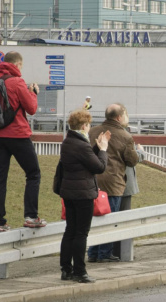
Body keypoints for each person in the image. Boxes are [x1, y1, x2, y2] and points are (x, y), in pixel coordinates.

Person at [0, 51, 46, 232]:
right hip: (18, 134)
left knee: (0, 177)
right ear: (17, 64)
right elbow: (32, 108)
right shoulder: (17, 82)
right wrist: (33, 92)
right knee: (33, 173)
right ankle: (31, 216)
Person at [58, 109, 110, 283]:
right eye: (88, 125)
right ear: (83, 125)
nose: (89, 127)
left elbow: (85, 159)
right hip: (83, 194)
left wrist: (95, 146)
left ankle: (66, 270)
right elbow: (99, 167)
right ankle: (80, 272)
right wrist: (103, 149)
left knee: (70, 231)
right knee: (81, 233)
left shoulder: (69, 141)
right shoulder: (81, 144)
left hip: (69, 192)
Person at [87, 103, 140, 263]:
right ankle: (104, 254)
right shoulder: (125, 136)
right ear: (119, 117)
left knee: (95, 219)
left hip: (93, 181)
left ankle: (92, 253)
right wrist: (139, 153)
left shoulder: (93, 131)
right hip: (113, 184)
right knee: (110, 220)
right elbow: (131, 161)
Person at [113, 143, 145, 258]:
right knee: (123, 220)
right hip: (122, 186)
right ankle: (120, 252)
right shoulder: (124, 137)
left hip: (108, 185)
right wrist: (141, 151)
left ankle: (103, 252)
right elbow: (133, 159)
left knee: (106, 219)